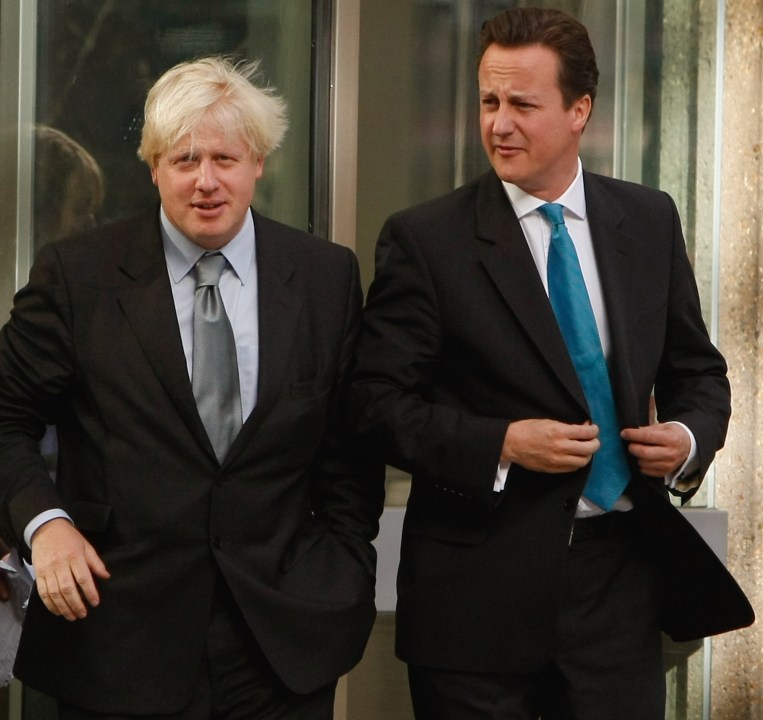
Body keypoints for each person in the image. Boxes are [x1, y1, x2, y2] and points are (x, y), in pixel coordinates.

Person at [350, 7, 753, 720]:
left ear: (579, 111)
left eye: (522, 105)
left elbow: (697, 372)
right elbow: (374, 405)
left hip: (620, 584)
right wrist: (501, 443)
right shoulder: (426, 240)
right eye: (488, 102)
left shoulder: (648, 220)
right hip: (477, 597)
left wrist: (687, 437)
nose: (498, 125)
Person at [0, 56, 382, 720]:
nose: (206, 181)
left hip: (281, 645)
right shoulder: (80, 276)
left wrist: (343, 568)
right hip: (117, 638)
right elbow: (6, 414)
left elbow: (349, 445)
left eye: (225, 159)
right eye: (184, 160)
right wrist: (45, 524)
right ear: (153, 167)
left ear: (258, 162)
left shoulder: (324, 277)